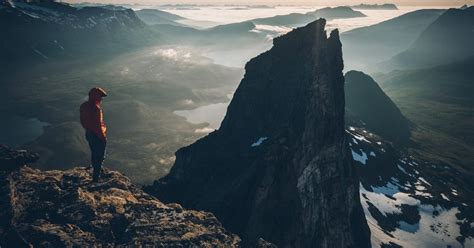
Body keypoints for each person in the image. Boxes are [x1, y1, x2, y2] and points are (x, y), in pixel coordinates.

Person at [80, 87, 108, 182]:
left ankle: (95, 172)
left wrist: (89, 129)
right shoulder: (96, 109)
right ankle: (96, 178)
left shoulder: (83, 106)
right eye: (100, 96)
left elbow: (83, 121)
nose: (101, 99)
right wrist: (102, 137)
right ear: (95, 97)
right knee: (100, 156)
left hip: (89, 133)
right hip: (97, 135)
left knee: (94, 153)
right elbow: (97, 125)